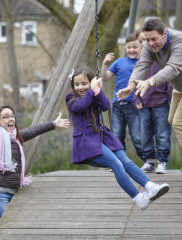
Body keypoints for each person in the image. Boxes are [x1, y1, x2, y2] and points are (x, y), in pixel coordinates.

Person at [117, 18, 182, 193]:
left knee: (180, 123)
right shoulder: (148, 45)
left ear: (164, 33)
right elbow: (142, 65)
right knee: (172, 119)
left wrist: (150, 82)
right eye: (147, 40)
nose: (150, 43)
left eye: (154, 39)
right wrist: (130, 87)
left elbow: (173, 68)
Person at [65, 66, 169, 210]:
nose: (80, 87)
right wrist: (92, 91)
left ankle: (150, 186)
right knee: (116, 164)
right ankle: (139, 198)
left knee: (125, 161)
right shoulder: (71, 98)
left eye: (84, 83)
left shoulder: (93, 94)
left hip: (103, 138)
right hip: (87, 142)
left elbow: (105, 105)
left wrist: (97, 91)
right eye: (77, 84)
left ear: (91, 83)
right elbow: (81, 107)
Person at [0, 105, 70, 226]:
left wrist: (53, 124)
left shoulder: (15, 138)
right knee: (7, 230)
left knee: (12, 230)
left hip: (13, 192)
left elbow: (34, 130)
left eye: (12, 116)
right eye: (5, 117)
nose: (11, 119)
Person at [134, 29, 173, 174]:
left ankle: (162, 161)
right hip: (144, 104)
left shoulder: (162, 60)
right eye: (142, 41)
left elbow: (170, 81)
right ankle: (149, 161)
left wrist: (172, 100)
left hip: (161, 103)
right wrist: (136, 97)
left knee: (162, 133)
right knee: (145, 134)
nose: (145, 43)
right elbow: (134, 81)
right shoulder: (140, 63)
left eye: (148, 40)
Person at [101, 33, 142, 160]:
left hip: (134, 104)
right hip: (118, 104)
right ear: (125, 48)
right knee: (117, 135)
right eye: (129, 47)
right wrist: (104, 63)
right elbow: (105, 77)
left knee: (137, 136)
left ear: (141, 47)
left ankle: (149, 161)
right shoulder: (119, 62)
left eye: (134, 47)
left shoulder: (143, 64)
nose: (131, 50)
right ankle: (119, 162)